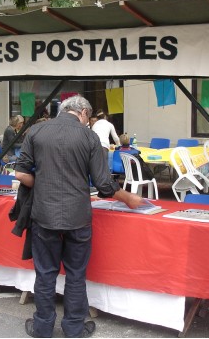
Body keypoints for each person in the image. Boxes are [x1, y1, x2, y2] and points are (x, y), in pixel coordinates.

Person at [15, 95, 142, 338]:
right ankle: (74, 328)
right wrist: (129, 198)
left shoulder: (36, 131)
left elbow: (21, 174)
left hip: (44, 214)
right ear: (83, 112)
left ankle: (42, 327)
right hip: (77, 215)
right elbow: (104, 184)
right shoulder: (89, 137)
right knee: (75, 274)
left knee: (45, 273)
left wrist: (42, 184)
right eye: (89, 117)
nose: (88, 121)